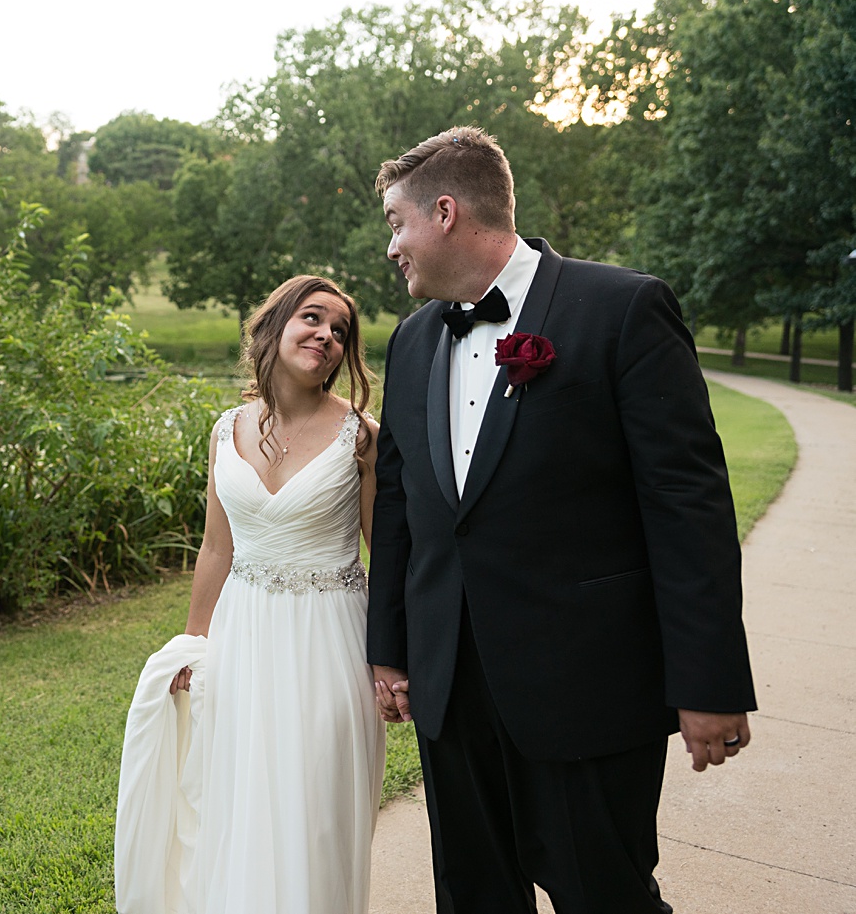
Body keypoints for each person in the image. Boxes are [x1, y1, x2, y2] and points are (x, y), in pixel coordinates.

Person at [367, 125, 755, 914]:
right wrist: (391, 649)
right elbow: (402, 507)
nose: (392, 246)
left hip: (588, 686)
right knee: (473, 896)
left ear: (446, 212)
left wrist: (709, 680)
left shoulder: (622, 309)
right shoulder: (410, 342)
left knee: (605, 896)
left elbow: (688, 505)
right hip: (450, 689)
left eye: (396, 222)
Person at [114, 276, 384, 914]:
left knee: (314, 810)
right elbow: (217, 548)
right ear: (274, 327)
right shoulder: (225, 429)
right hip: (240, 636)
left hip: (331, 640)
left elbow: (387, 553)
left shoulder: (362, 436)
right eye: (312, 319)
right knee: (239, 801)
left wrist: (393, 656)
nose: (326, 336)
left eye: (340, 330)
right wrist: (192, 643)